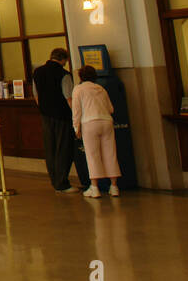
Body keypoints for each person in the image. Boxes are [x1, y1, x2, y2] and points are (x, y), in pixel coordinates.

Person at [31, 47, 90, 192]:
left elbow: (36, 95)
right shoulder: (64, 74)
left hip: (45, 116)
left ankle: (55, 181)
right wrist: (77, 117)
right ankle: (62, 183)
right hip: (62, 116)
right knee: (63, 149)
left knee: (50, 149)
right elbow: (69, 98)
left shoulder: (37, 72)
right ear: (64, 59)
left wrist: (44, 109)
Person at [72, 65, 121, 198]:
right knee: (110, 153)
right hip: (106, 121)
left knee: (92, 155)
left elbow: (76, 111)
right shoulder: (101, 88)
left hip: (89, 123)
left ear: (80, 76)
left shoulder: (78, 89)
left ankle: (94, 188)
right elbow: (111, 109)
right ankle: (114, 186)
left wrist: (76, 127)